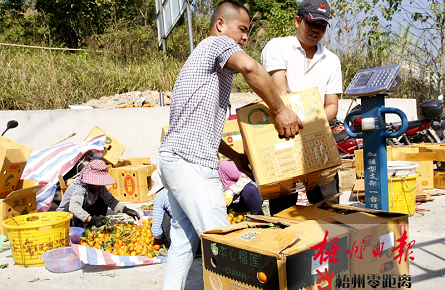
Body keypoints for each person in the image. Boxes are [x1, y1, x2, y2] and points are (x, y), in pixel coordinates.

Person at [156, 1, 302, 288]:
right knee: (224, 242)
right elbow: (250, 67)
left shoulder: (200, 62)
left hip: (174, 157)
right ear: (221, 24)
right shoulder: (216, 45)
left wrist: (233, 155)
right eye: (242, 29)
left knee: (184, 241)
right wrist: (280, 109)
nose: (245, 37)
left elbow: (199, 127)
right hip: (191, 163)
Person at [260, 0, 343, 215]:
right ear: (298, 20)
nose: (316, 30)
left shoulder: (332, 61)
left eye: (322, 26)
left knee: (329, 208)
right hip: (283, 139)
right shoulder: (278, 47)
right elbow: (280, 95)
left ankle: (330, 247)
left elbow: (332, 105)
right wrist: (298, 123)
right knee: (284, 212)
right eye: (311, 23)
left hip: (319, 141)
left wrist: (312, 125)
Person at [57, 159, 140, 227]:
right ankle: (79, 228)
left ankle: (97, 224)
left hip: (84, 211)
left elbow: (110, 200)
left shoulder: (99, 187)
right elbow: (74, 208)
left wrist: (125, 209)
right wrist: (90, 219)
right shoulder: (80, 186)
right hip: (67, 215)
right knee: (80, 203)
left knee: (103, 199)